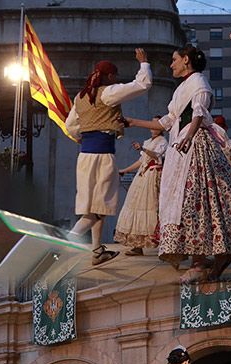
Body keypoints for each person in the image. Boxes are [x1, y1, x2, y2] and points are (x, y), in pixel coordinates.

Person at [125, 46, 231, 282]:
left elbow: (199, 111)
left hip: (195, 147)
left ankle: (200, 262)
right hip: (182, 148)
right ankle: (209, 258)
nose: (171, 64)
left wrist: (188, 136)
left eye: (174, 60)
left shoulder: (198, 81)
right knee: (189, 201)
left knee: (194, 200)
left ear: (186, 60)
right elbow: (166, 122)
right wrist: (133, 122)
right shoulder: (182, 87)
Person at [65, 49, 152, 266]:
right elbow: (142, 85)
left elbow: (70, 126)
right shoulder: (108, 92)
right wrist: (144, 64)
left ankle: (97, 250)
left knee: (95, 207)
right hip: (102, 156)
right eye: (116, 75)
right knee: (96, 210)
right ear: (110, 76)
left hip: (84, 156)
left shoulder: (81, 96)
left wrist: (83, 135)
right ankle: (64, 245)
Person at [115, 120, 168, 255]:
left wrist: (143, 149)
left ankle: (163, 245)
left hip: (153, 176)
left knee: (152, 208)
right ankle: (137, 245)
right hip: (143, 175)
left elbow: (157, 156)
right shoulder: (148, 141)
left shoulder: (162, 142)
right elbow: (141, 161)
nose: (153, 126)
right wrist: (125, 170)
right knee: (135, 205)